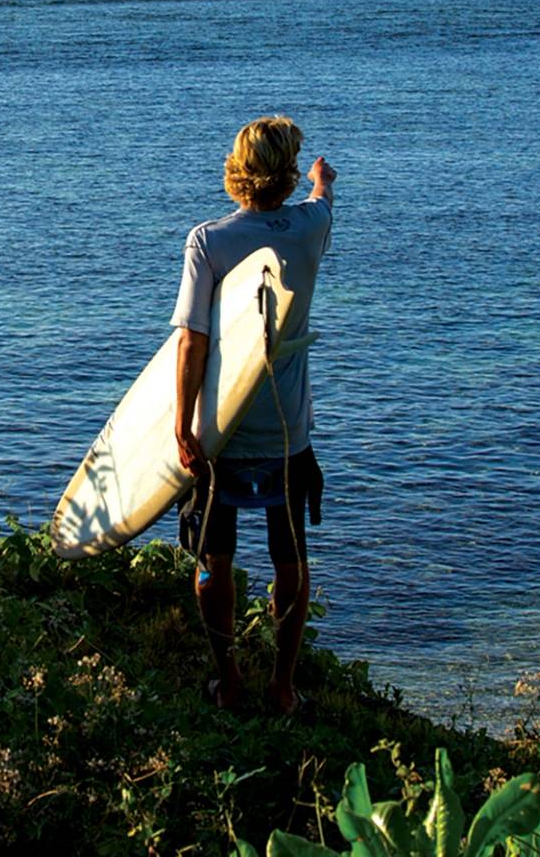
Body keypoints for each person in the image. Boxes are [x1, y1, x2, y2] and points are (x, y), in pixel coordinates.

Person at [170, 114, 335, 715]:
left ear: (237, 172)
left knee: (214, 559)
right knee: (289, 558)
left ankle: (230, 680)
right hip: (287, 431)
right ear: (288, 174)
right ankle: (283, 688)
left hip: (222, 431)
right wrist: (323, 180)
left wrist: (182, 426)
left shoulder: (207, 241)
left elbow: (192, 341)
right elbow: (322, 201)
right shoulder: (311, 227)